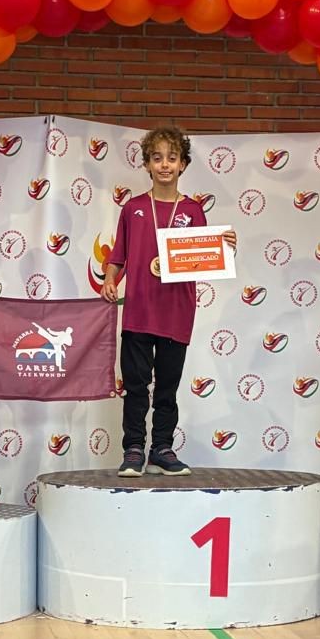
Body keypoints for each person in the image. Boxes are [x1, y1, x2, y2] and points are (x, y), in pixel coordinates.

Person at [102, 127, 235, 477]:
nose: (164, 165)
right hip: (139, 311)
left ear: (183, 164)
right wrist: (110, 279)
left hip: (176, 312)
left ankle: (161, 448)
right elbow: (118, 255)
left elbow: (204, 257)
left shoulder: (193, 209)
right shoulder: (133, 208)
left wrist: (223, 248)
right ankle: (133, 448)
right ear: (147, 164)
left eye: (172, 158)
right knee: (135, 385)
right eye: (157, 158)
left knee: (167, 387)